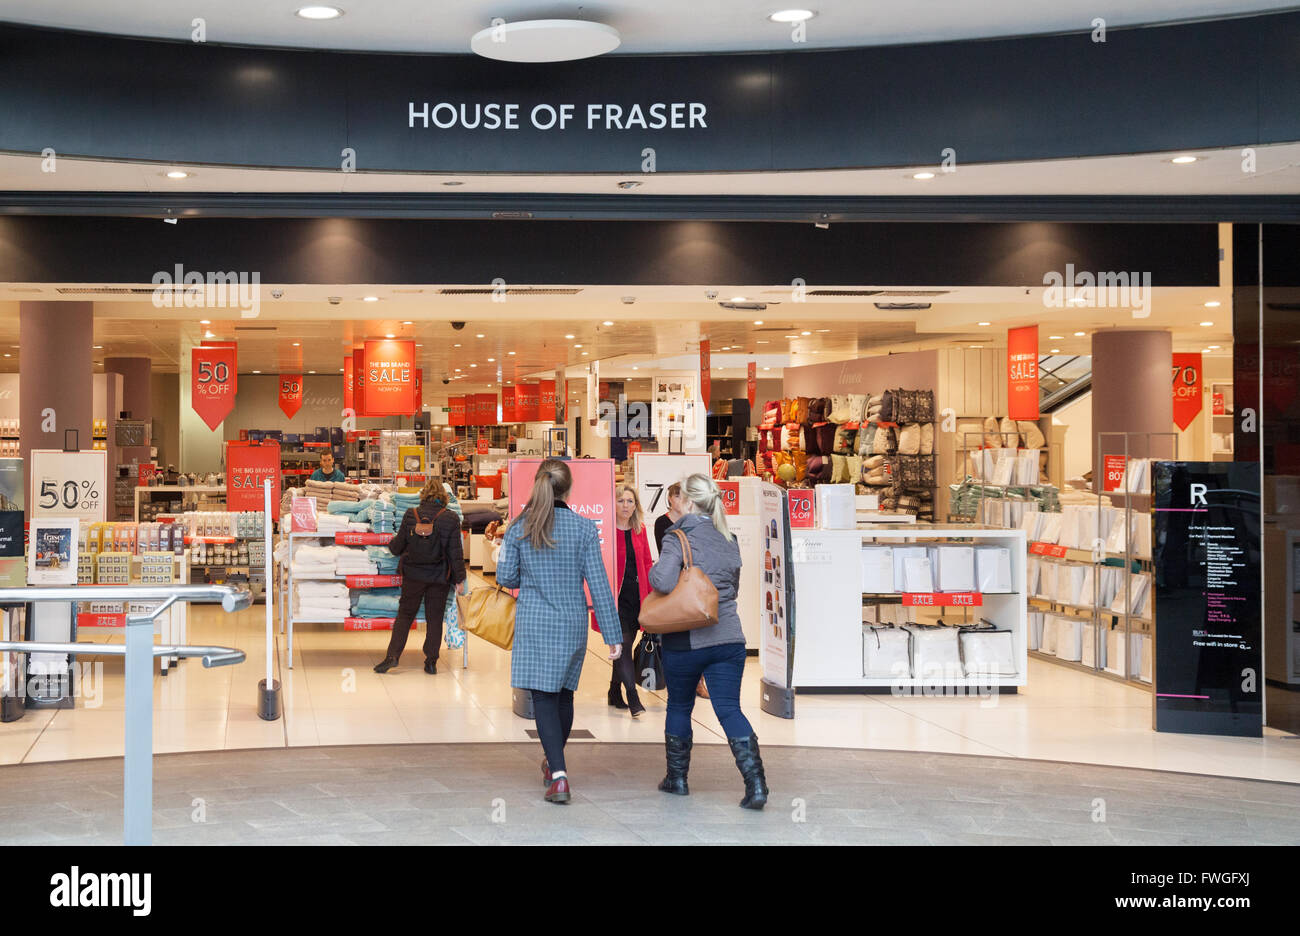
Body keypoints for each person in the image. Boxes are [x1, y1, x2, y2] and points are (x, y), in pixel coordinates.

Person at [496, 458, 623, 804]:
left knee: (543, 698)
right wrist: (612, 635)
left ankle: (559, 774)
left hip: (535, 622)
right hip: (572, 623)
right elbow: (598, 584)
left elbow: (505, 577)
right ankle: (555, 763)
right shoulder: (584, 528)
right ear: (568, 489)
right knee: (565, 695)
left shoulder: (519, 527)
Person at [648, 472, 768, 810]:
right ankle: (756, 784)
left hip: (685, 639)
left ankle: (677, 780)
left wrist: (658, 568)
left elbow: (662, 581)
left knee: (679, 706)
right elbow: (733, 586)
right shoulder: (729, 537)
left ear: (686, 501)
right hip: (729, 637)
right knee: (729, 709)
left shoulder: (678, 536)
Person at [374, 479, 467, 675]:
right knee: (435, 618)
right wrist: (460, 579)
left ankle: (392, 657)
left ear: (423, 495)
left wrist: (388, 543)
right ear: (443, 496)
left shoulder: (411, 514)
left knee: (405, 615)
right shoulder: (450, 518)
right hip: (439, 577)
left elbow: (397, 546)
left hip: (413, 575)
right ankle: (431, 661)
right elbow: (455, 552)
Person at [653, 481, 710, 700]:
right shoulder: (662, 522)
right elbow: (667, 551)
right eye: (678, 496)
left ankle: (699, 681)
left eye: (685, 497)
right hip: (672, 582)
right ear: (670, 499)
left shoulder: (696, 520)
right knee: (672, 634)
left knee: (698, 632)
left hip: (694, 581)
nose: (682, 501)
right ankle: (675, 679)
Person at [610, 484, 651, 717]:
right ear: (613, 504)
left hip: (636, 597)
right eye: (621, 501)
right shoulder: (606, 531)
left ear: (636, 506)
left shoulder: (639, 530)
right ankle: (633, 697)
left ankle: (613, 691)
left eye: (630, 501)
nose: (625, 505)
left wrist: (652, 596)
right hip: (615, 599)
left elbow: (646, 563)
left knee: (625, 646)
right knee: (623, 645)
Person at [652, 482, 686, 552]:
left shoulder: (692, 520)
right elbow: (663, 551)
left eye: (684, 496)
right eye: (677, 496)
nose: (681, 500)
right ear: (669, 498)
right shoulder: (661, 522)